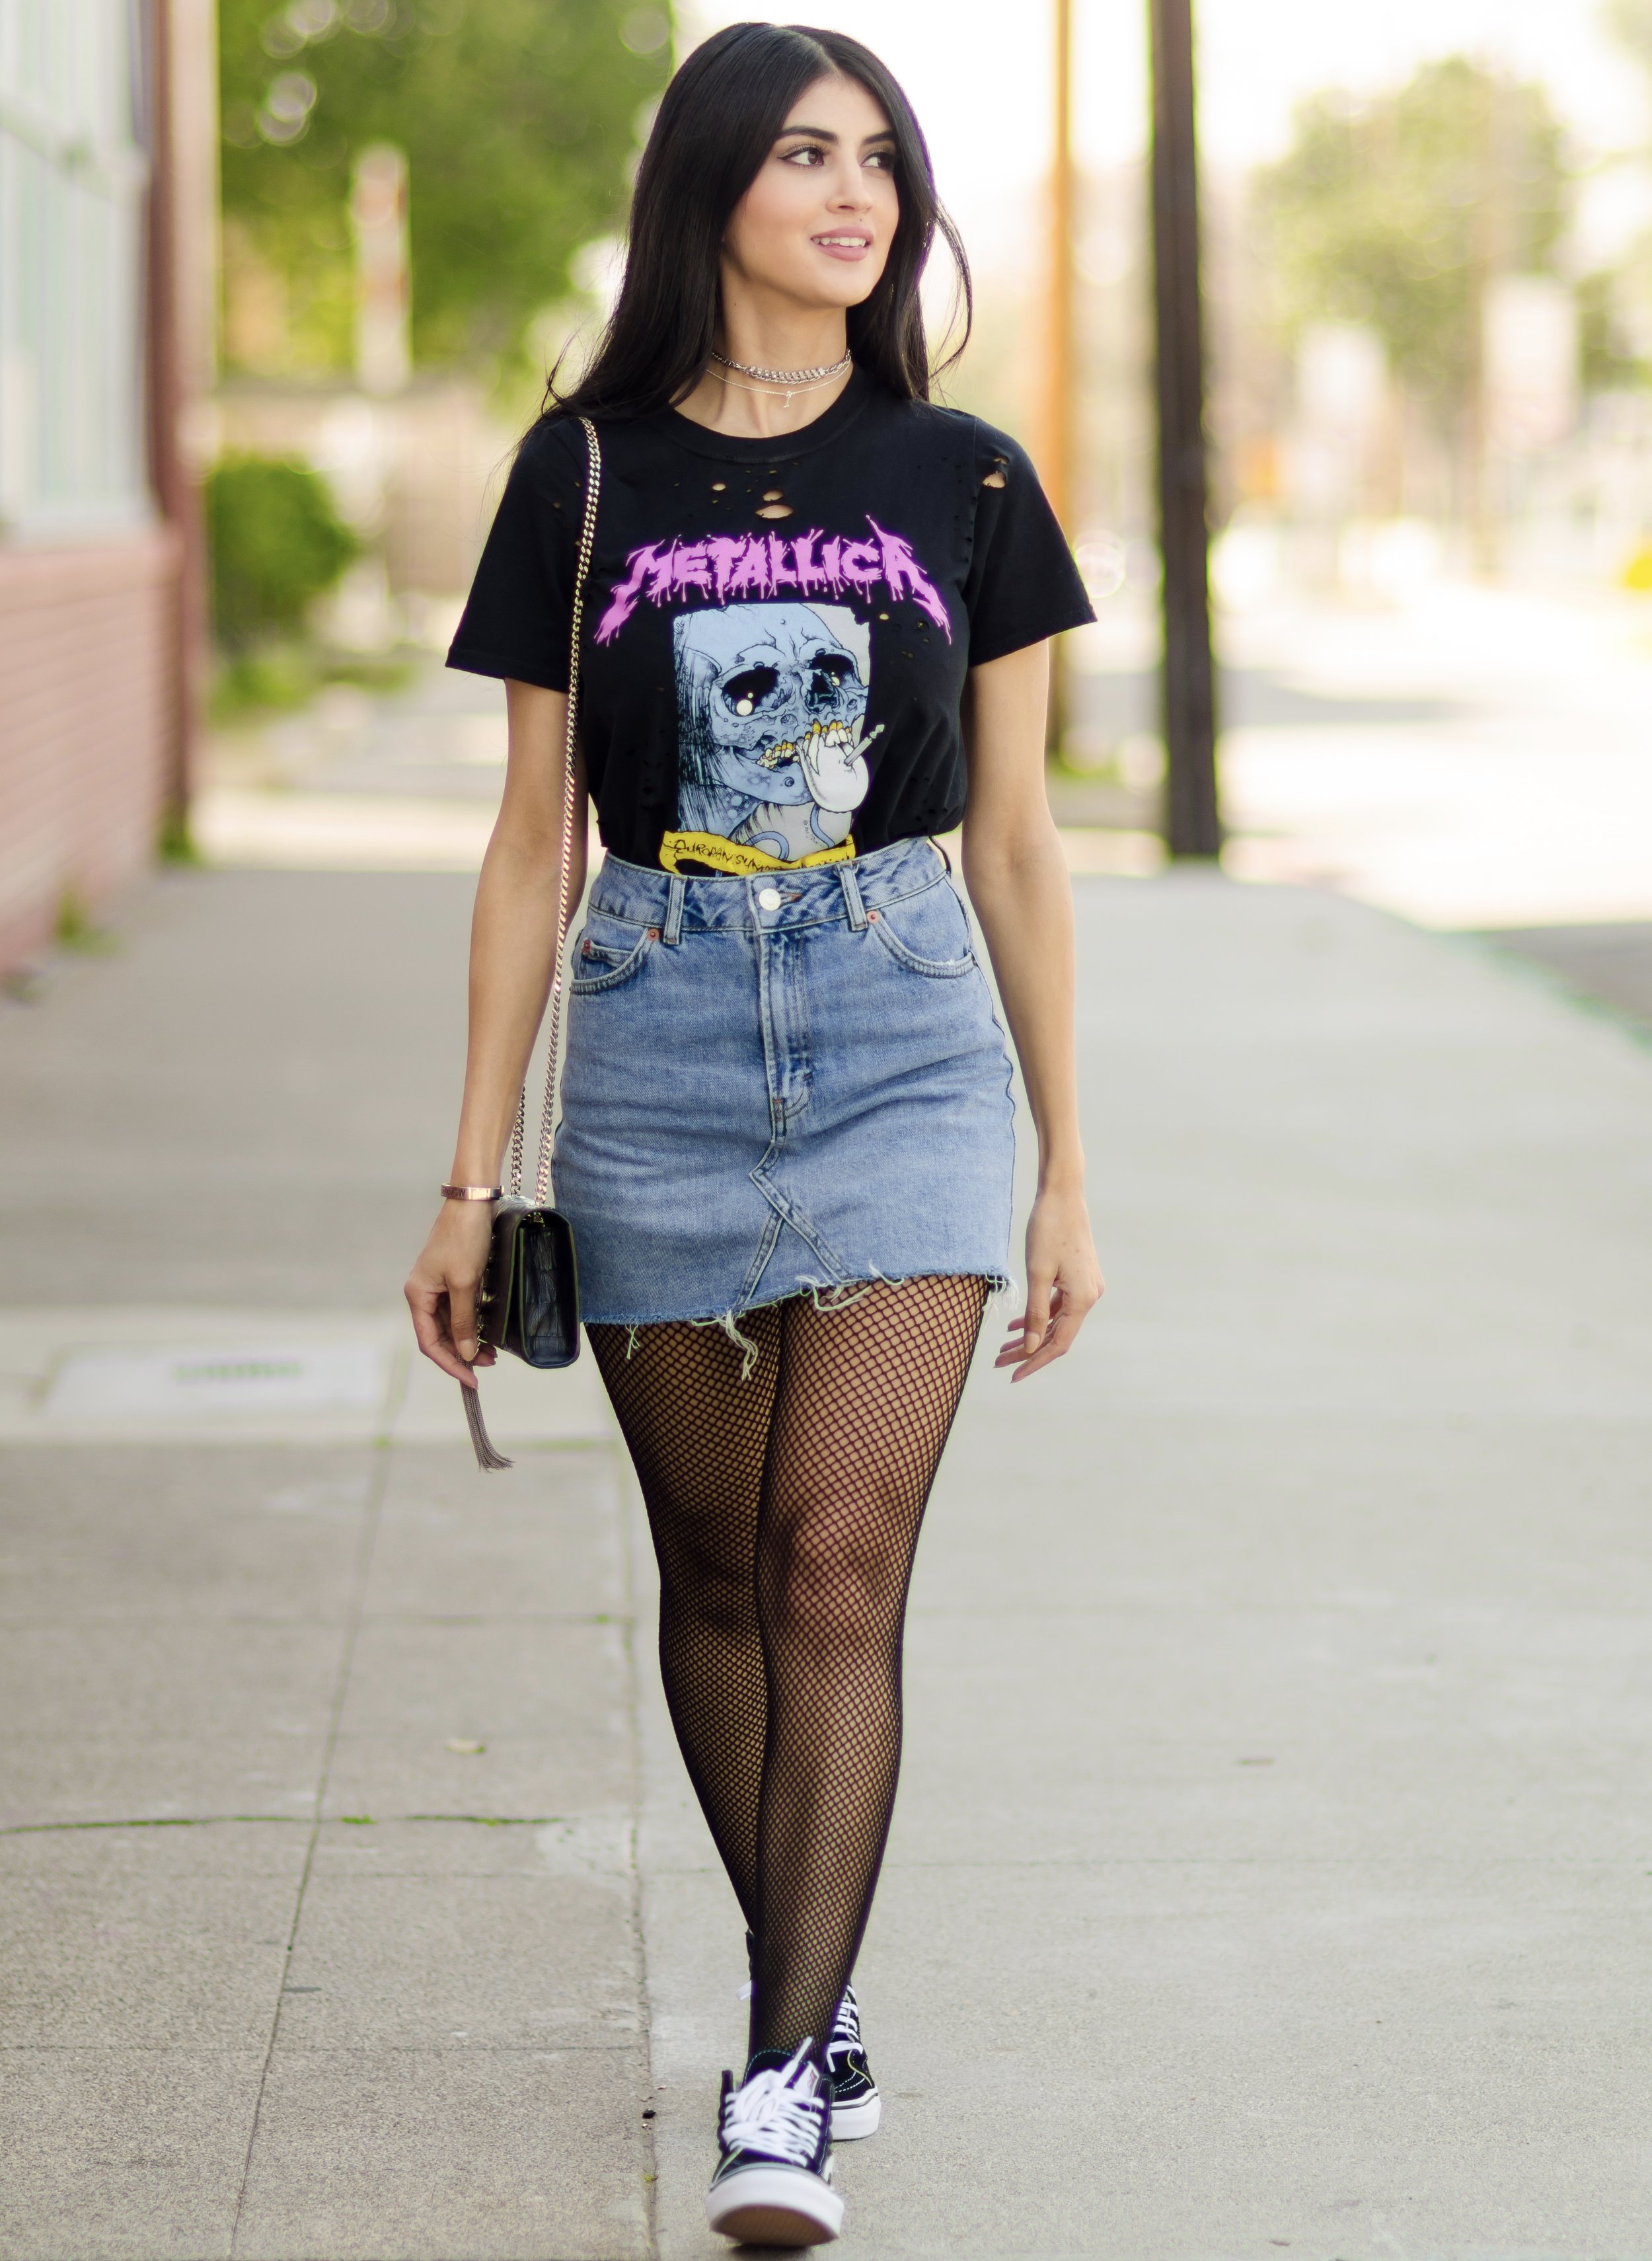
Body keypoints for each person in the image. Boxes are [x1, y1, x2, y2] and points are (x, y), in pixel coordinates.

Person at [406, 20, 1104, 2247]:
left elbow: (1016, 840)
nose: (854, 193)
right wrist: (467, 1171)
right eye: (804, 153)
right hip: (656, 1033)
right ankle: (813, 1989)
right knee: (711, 1571)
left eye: (881, 160)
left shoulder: (968, 477)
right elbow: (532, 844)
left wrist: (1066, 1162)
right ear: (708, 185)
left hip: (903, 1028)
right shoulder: (581, 471)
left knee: (831, 1556)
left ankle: (780, 2074)